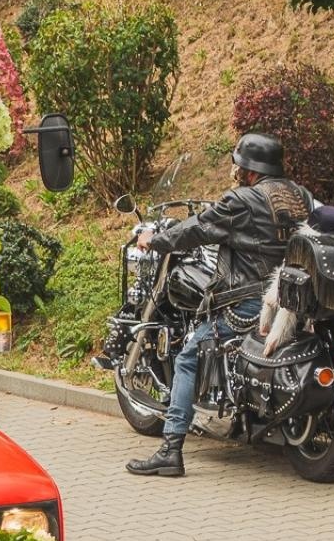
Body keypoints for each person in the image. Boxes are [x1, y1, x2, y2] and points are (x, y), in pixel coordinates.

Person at [125, 132, 314, 478]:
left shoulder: (243, 199)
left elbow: (198, 227)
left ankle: (170, 450)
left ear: (251, 171)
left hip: (251, 303)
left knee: (188, 356)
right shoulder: (299, 196)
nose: (236, 171)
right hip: (293, 298)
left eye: (239, 166)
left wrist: (156, 240)